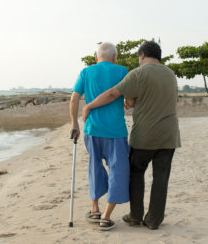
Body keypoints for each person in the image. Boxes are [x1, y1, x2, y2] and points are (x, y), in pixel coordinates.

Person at [82, 40, 181, 230]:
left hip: (144, 137)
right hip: (169, 136)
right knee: (161, 178)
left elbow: (112, 94)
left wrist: (89, 105)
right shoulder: (170, 74)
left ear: (142, 55)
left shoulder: (139, 73)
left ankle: (135, 217)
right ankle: (153, 220)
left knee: (136, 174)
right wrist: (132, 101)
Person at [70, 42, 133, 231]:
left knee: (94, 166)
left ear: (96, 58)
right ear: (114, 57)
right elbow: (130, 99)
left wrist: (74, 124)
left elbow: (74, 98)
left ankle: (94, 208)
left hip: (92, 130)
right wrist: (127, 102)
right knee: (118, 170)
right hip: (115, 131)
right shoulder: (122, 70)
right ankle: (105, 217)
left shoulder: (86, 72)